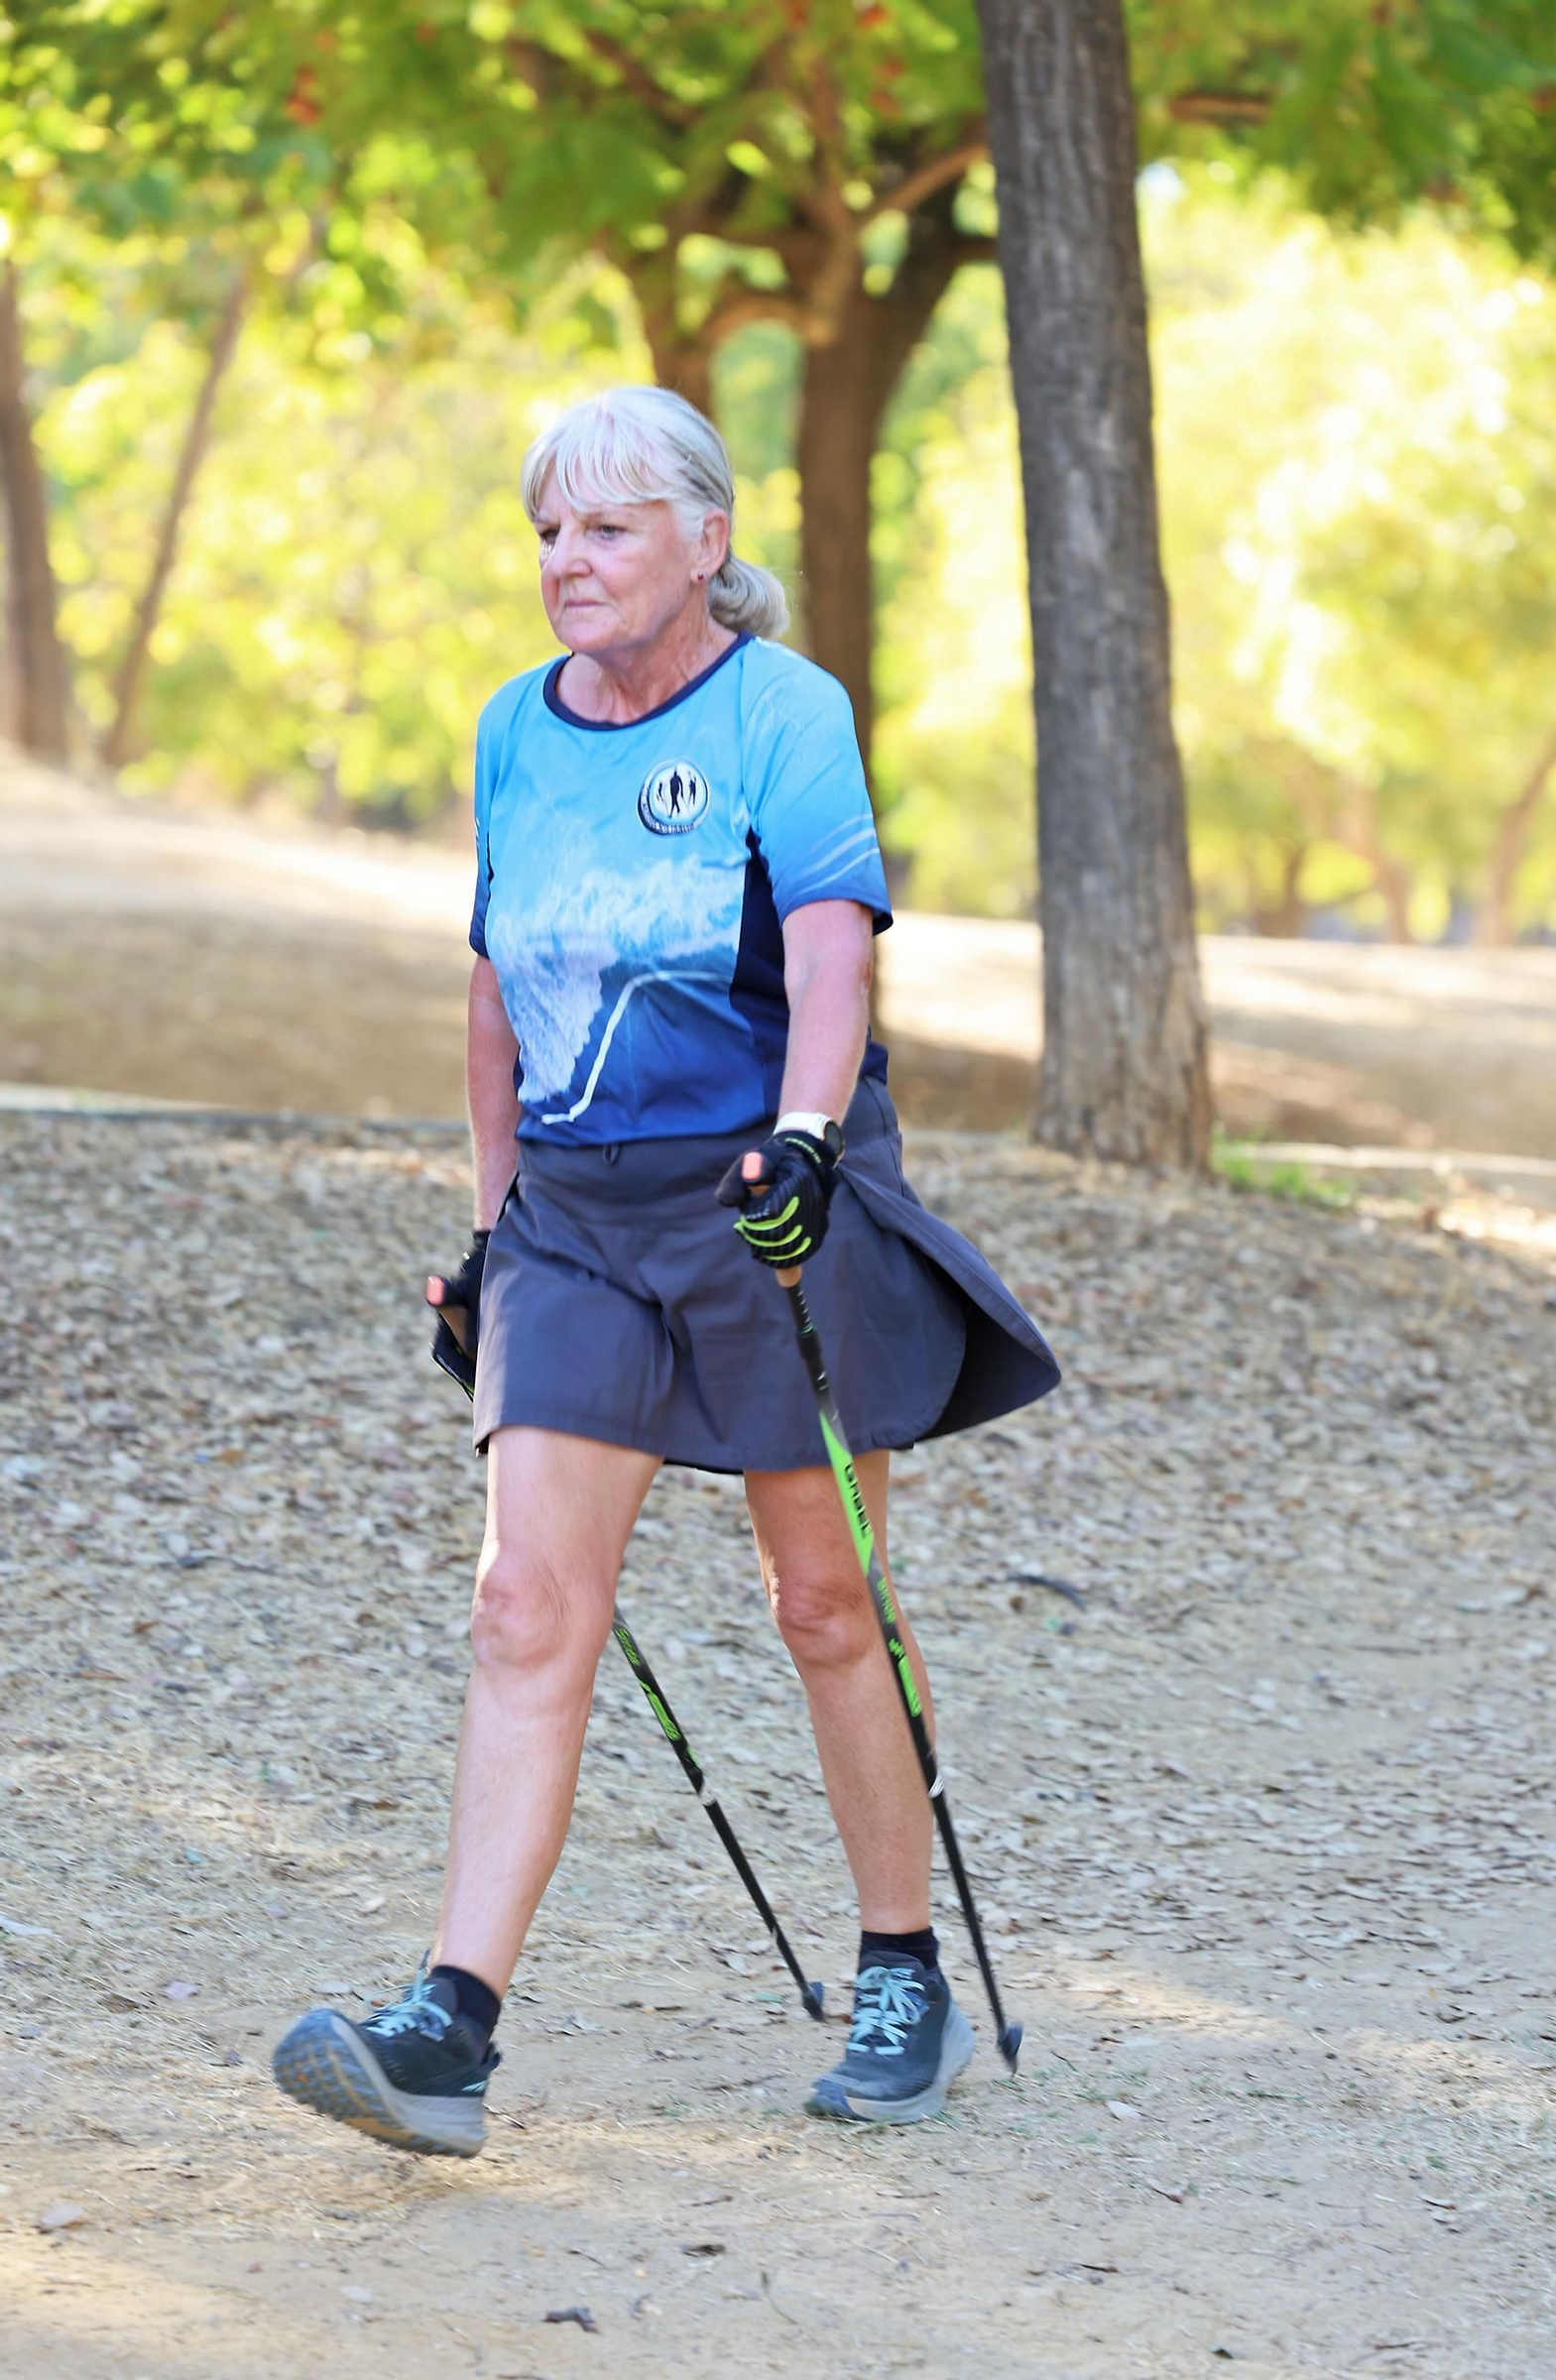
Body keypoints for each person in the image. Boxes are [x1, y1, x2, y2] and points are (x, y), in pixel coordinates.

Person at [272, 386, 1058, 2158]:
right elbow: (497, 995)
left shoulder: (786, 711)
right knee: (521, 1606)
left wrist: (802, 1136)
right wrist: (489, 1224)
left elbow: (835, 957)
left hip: (761, 1190)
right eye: (549, 528)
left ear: (706, 540)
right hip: (572, 1213)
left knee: (822, 1601)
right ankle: (447, 2033)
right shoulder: (511, 731)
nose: (567, 559)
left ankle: (899, 1969)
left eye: (607, 527)